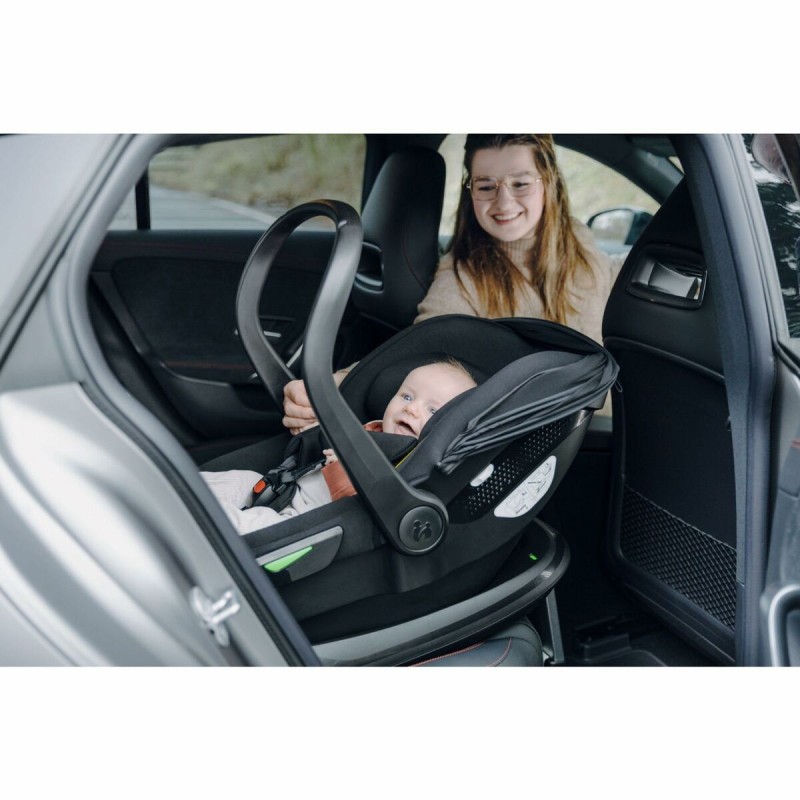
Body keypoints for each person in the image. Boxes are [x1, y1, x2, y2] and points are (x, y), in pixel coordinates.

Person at [282, 134, 621, 433]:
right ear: (469, 190)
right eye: (486, 186)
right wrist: (335, 385)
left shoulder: (581, 244)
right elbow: (426, 341)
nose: (504, 202)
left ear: (549, 182)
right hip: (547, 442)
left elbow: (621, 280)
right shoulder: (464, 272)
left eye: (520, 184)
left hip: (616, 423)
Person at [203, 359, 476, 535]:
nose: (411, 408)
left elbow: (366, 498)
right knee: (240, 480)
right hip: (290, 488)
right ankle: (188, 493)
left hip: (309, 519)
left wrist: (351, 464)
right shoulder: (376, 429)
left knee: (257, 523)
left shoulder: (412, 464)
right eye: (406, 396)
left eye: (432, 410)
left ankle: (201, 523)